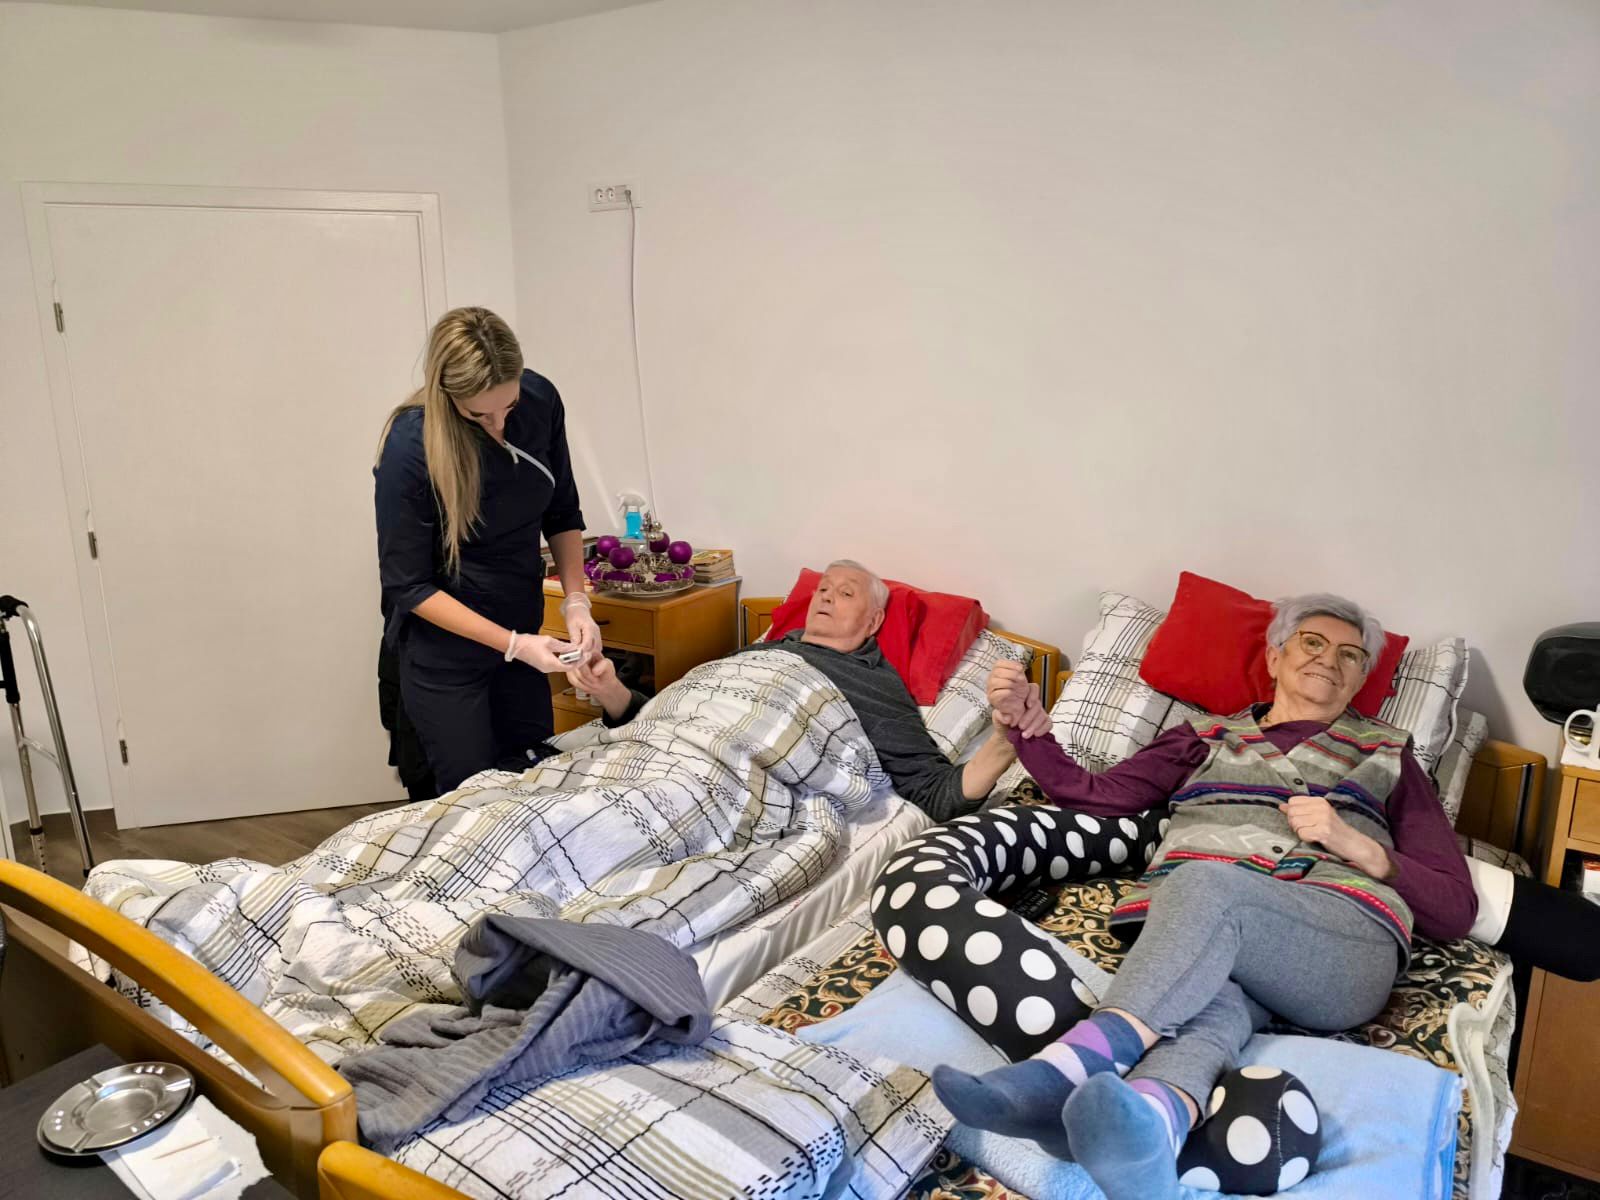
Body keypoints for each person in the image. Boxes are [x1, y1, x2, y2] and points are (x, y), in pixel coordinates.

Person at [933, 593, 1475, 1200]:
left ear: (1360, 678)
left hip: (1341, 949)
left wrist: (1358, 845)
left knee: (1205, 881)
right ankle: (1150, 1129)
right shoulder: (1201, 738)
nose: (1330, 659)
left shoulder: (1390, 755)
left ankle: (1064, 1070)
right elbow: (1095, 795)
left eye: (1351, 655)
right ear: (1274, 657)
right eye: (1313, 642)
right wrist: (1028, 731)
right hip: (1211, 943)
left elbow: (1456, 908)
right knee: (1208, 1009)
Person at [569, 560, 1015, 822]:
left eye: (845, 593)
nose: (826, 597)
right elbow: (672, 717)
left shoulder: (872, 680)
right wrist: (610, 689)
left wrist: (1003, 743)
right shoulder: (759, 652)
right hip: (648, 751)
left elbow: (933, 791)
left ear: (874, 621)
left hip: (711, 780)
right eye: (823, 589)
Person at [375, 307, 601, 794]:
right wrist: (512, 644)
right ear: (447, 394)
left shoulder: (540, 401)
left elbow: (562, 512)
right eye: (480, 415)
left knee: (534, 787)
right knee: (472, 803)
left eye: (509, 407)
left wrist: (576, 600)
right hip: (446, 659)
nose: (499, 424)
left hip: (522, 638)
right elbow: (407, 585)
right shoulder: (411, 448)